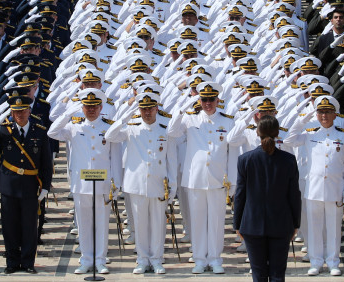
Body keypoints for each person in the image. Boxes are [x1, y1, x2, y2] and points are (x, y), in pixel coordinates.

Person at [0, 95, 53, 274]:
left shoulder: (39, 130)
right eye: (16, 111)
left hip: (30, 184)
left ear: (29, 111)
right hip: (8, 184)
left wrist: (45, 186)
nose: (20, 114)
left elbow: (46, 161)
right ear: (11, 112)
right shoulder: (4, 130)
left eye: (23, 110)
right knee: (10, 226)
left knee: (29, 226)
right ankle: (12, 262)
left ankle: (28, 262)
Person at [105, 93, 177, 274]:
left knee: (158, 224)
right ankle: (142, 259)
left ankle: (157, 259)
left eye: (150, 108)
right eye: (143, 109)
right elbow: (110, 135)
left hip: (159, 183)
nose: (147, 113)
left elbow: (172, 161)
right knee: (140, 223)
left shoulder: (165, 129)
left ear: (156, 109)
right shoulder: (131, 128)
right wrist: (127, 115)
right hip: (136, 183)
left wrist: (173, 186)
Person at [167, 81, 235, 274]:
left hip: (217, 179)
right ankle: (199, 258)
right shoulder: (190, 119)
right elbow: (171, 131)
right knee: (196, 221)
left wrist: (231, 180)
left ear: (217, 100)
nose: (207, 104)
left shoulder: (228, 122)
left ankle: (215, 259)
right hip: (195, 178)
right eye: (204, 99)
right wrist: (185, 106)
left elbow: (231, 153)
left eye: (211, 100)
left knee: (216, 221)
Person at [48, 89, 117, 275]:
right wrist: (69, 112)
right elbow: (52, 132)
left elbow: (115, 158)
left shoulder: (108, 127)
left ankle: (100, 260)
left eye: (95, 106)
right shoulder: (74, 126)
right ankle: (86, 259)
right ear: (82, 108)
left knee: (101, 224)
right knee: (83, 223)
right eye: (87, 106)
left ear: (101, 107)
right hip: (81, 184)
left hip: (102, 183)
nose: (91, 110)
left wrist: (115, 183)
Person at [285, 96, 344, 276]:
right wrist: (304, 118)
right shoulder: (309, 133)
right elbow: (288, 140)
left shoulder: (343, 136)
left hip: (335, 188)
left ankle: (333, 262)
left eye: (328, 112)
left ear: (334, 114)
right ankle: (315, 261)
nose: (324, 116)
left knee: (334, 228)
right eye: (321, 112)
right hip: (314, 188)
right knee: (314, 228)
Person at [234, 115, 301, 282]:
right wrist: (295, 223)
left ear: (258, 132)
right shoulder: (289, 160)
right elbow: (294, 195)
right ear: (278, 133)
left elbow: (240, 195)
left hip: (252, 224)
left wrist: (237, 224)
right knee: (278, 274)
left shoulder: (245, 159)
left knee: (259, 274)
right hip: (281, 223)